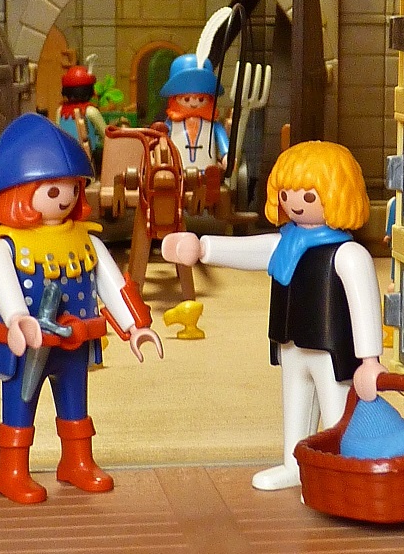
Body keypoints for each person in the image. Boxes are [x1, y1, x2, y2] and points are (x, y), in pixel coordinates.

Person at [162, 140, 386, 491]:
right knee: (295, 407)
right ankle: (294, 465)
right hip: (291, 343)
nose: (294, 203)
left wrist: (370, 360)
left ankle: (340, 474)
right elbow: (250, 250)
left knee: (337, 414)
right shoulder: (285, 244)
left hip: (332, 350)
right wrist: (203, 248)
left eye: (307, 196)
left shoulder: (348, 253)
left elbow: (365, 307)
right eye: (286, 194)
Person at [0, 113, 163, 504]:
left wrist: (135, 325)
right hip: (25, 349)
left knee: (76, 407)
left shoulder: (87, 241)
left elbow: (114, 284)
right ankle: (10, 470)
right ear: (18, 193)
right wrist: (17, 319)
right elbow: (4, 288)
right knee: (20, 407)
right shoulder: (2, 247)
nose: (65, 198)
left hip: (75, 344)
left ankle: (77, 462)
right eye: (53, 190)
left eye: (73, 189)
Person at [160, 53, 229, 170]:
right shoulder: (171, 124)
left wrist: (226, 155)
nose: (193, 103)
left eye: (201, 99)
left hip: (207, 171)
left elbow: (222, 138)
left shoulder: (213, 125)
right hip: (178, 171)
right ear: (174, 99)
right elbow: (162, 138)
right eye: (186, 99)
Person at [57, 63, 107, 170]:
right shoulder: (91, 111)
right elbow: (106, 135)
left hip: (67, 158)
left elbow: (58, 133)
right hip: (87, 158)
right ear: (90, 90)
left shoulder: (60, 110)